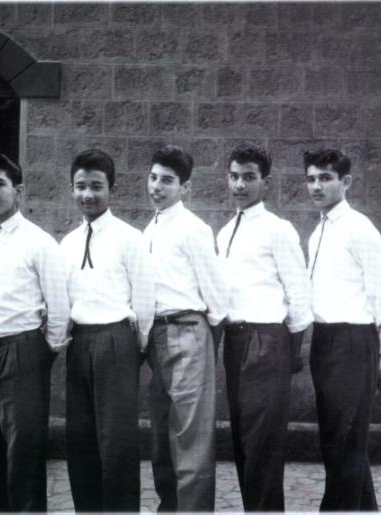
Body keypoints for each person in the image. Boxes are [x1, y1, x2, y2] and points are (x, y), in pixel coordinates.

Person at [0, 152, 69, 512]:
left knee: (23, 453)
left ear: (19, 191)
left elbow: (59, 308)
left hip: (23, 352)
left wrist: (41, 353)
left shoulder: (39, 242)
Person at [216, 144, 313, 511]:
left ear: (265, 182)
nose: (240, 185)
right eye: (234, 176)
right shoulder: (225, 232)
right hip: (235, 342)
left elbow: (299, 296)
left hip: (267, 341)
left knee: (262, 443)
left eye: (249, 177)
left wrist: (290, 352)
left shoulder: (278, 229)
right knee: (243, 439)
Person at [304, 148, 381, 511]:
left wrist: (375, 353)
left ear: (345, 182)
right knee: (339, 440)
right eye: (311, 179)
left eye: (325, 178)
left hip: (353, 341)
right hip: (325, 341)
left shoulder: (359, 228)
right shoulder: (318, 232)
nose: (316, 186)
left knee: (344, 442)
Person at [60, 148, 155, 512]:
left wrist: (138, 345)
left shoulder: (129, 238)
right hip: (79, 342)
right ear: (72, 189)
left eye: (96, 186)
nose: (88, 194)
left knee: (117, 440)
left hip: (117, 341)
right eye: (80, 186)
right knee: (80, 437)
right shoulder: (68, 243)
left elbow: (144, 296)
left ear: (111, 189)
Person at [143, 144, 228, 512]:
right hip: (156, 335)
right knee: (162, 437)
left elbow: (216, 296)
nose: (157, 187)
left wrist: (203, 342)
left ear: (185, 187)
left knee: (191, 439)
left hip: (188, 331)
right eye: (153, 178)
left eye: (167, 180)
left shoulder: (194, 229)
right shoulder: (150, 227)